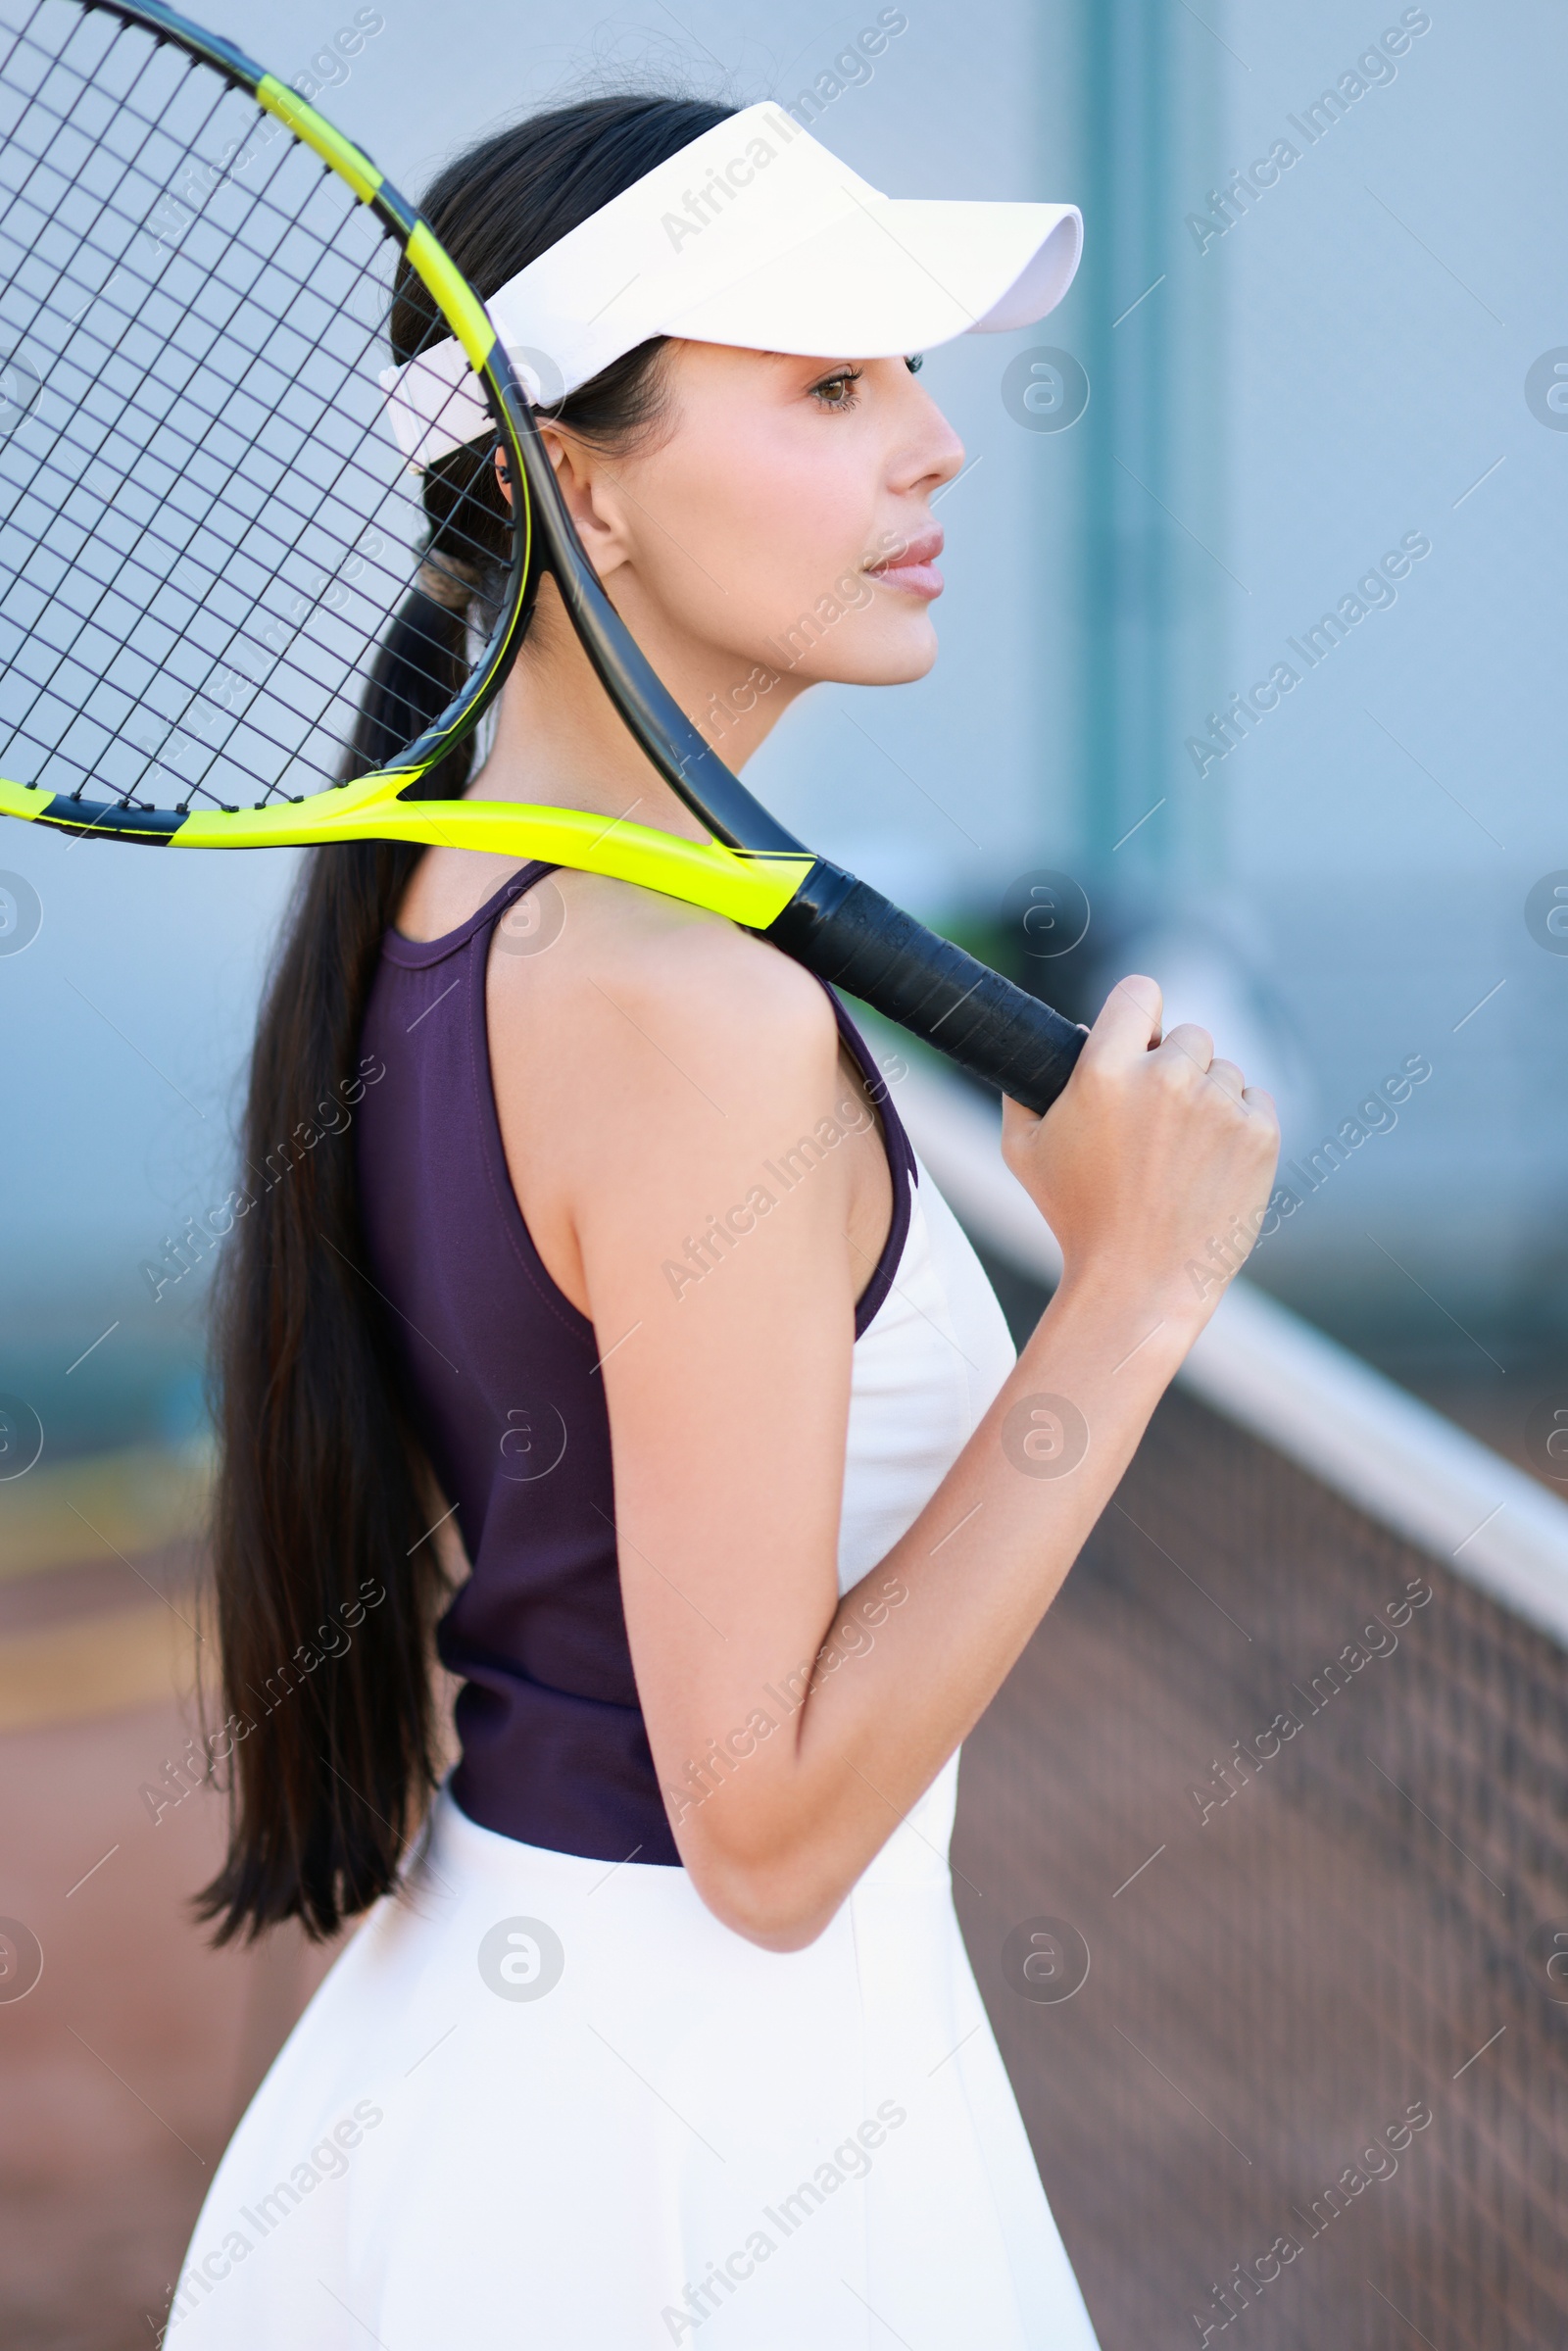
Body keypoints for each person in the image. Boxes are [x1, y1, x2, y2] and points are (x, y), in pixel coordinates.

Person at [169, 91, 1278, 2348]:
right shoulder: (676, 1006)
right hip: (699, 2135)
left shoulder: (459, 908)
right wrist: (1133, 1297)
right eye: (827, 386)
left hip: (535, 2062)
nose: (935, 446)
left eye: (904, 377)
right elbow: (761, 1837)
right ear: (570, 477)